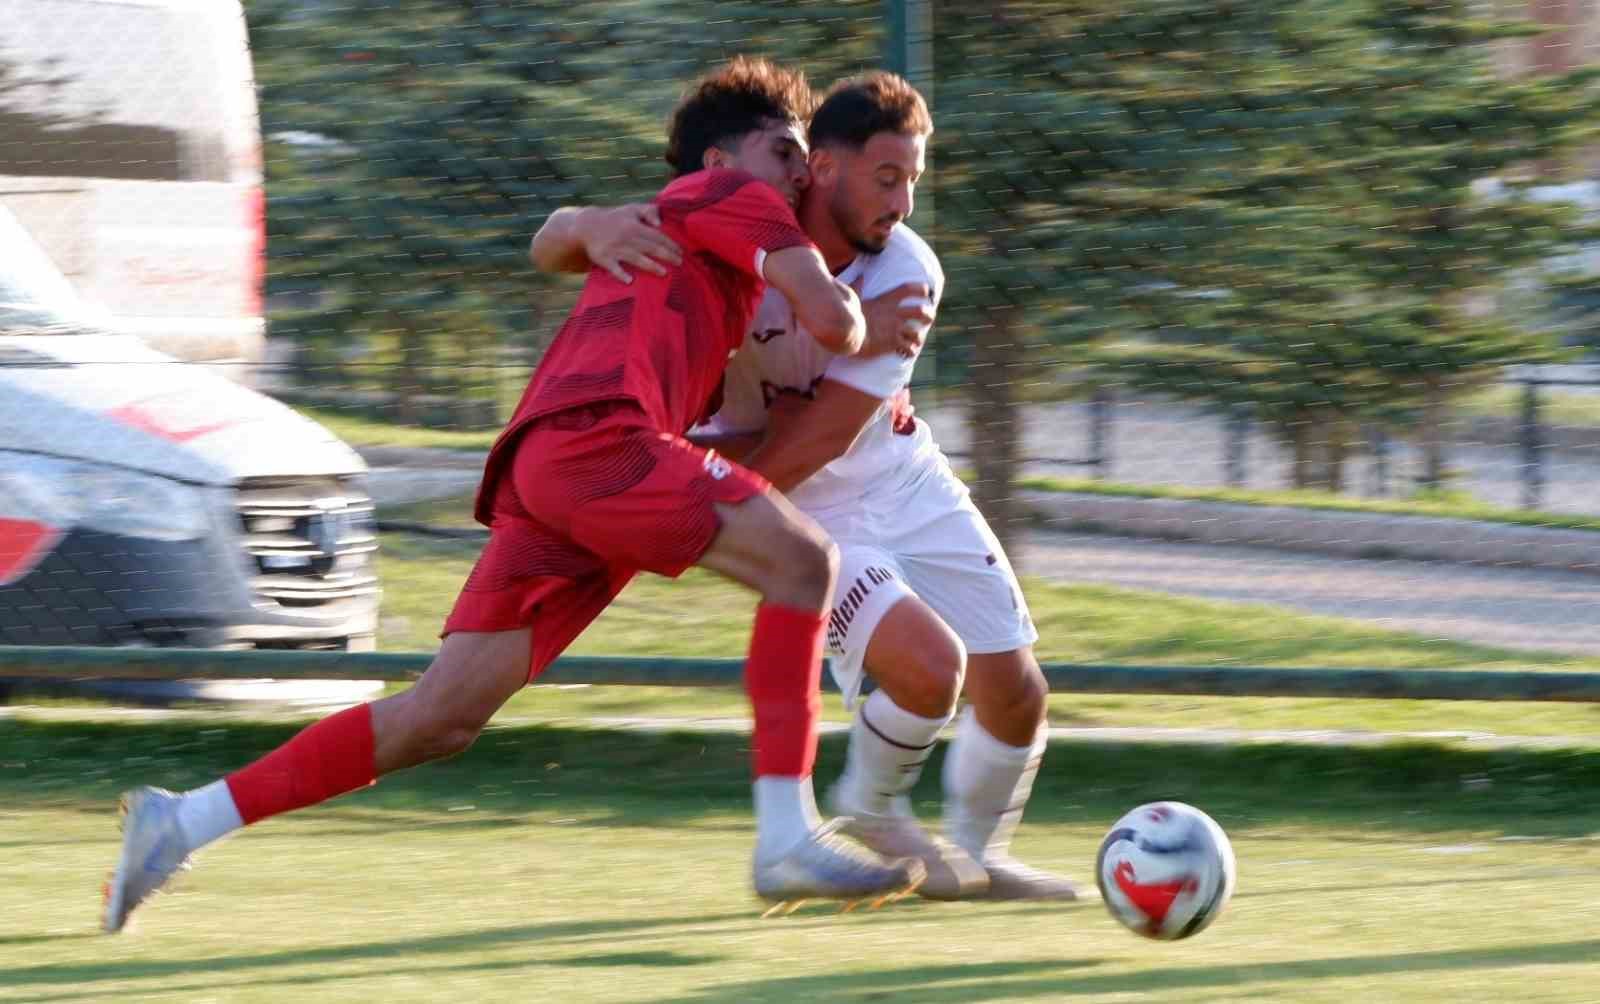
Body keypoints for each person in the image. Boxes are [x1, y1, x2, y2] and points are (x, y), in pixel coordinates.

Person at [101, 56, 928, 935]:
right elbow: (834, 321)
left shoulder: (685, 227)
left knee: (440, 717)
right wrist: (863, 322)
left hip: (560, 467)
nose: (799, 171)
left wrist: (579, 223)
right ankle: (784, 837)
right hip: (599, 444)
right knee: (805, 563)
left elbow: (555, 243)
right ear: (723, 160)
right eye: (784, 150)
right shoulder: (739, 201)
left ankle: (182, 819)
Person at [536, 71, 1078, 901]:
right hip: (801, 504)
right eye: (886, 178)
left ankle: (975, 859)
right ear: (822, 169)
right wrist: (588, 223)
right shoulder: (737, 237)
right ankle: (868, 805)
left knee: (1020, 694)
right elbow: (801, 447)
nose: (901, 204)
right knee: (931, 670)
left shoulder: (909, 269)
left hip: (902, 477)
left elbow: (831, 428)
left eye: (914, 182)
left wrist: (773, 426)